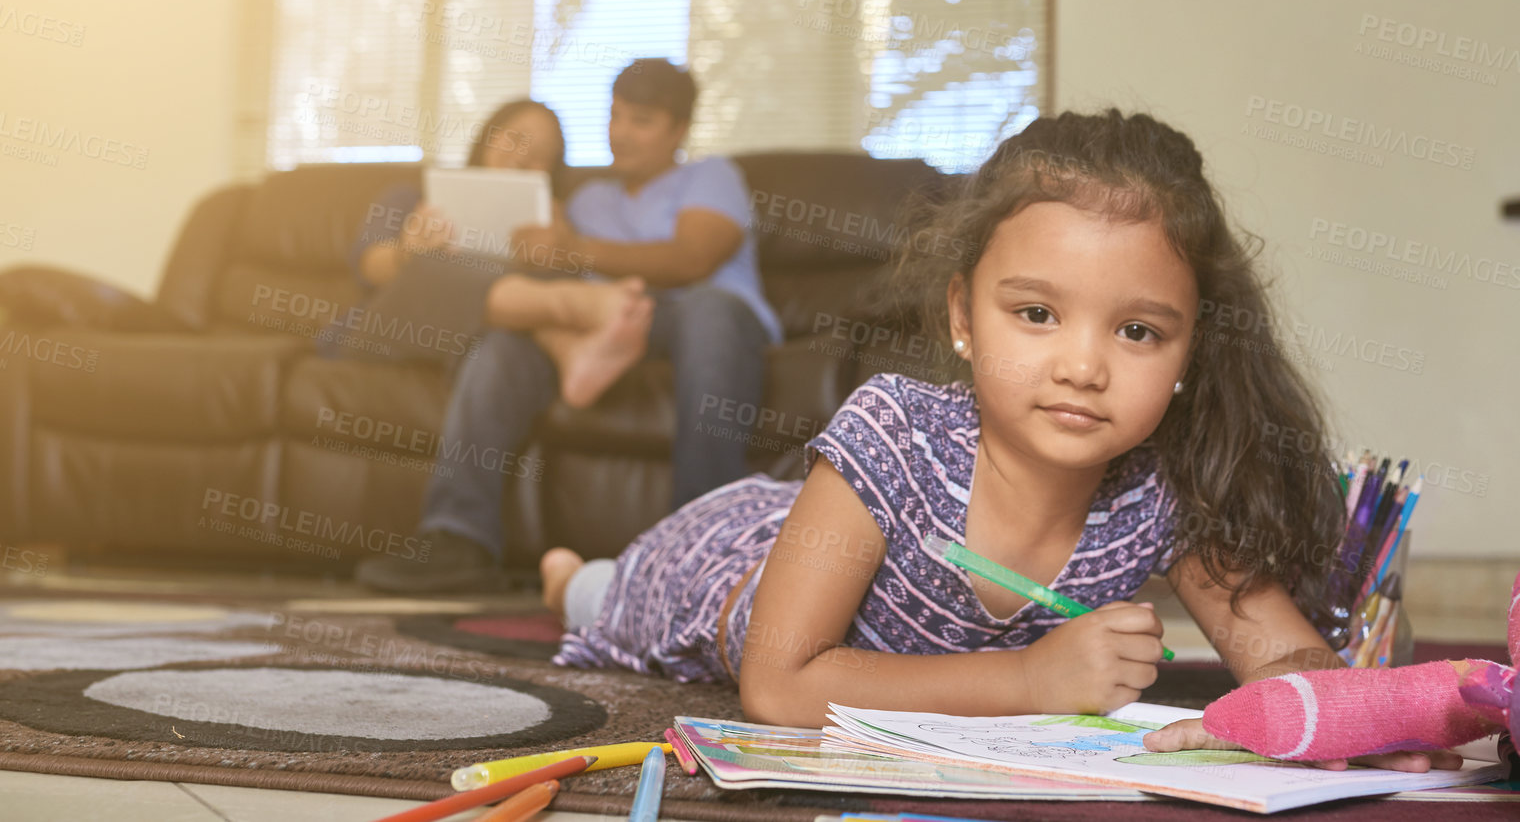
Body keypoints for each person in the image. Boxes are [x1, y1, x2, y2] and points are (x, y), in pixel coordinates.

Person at [533, 108, 1461, 772]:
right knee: (603, 595)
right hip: (726, 560)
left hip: (820, 547)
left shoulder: (1163, 487)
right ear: (964, 314)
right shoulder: (892, 427)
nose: (1082, 365)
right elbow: (778, 685)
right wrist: (1031, 677)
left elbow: (1281, 654)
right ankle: (570, 571)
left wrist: (1358, 713)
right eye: (1036, 313)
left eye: (1136, 331)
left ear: (1189, 351)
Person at [357, 60, 780, 593]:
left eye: (641, 121)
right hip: (607, 328)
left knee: (709, 311)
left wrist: (573, 249)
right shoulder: (585, 200)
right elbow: (550, 274)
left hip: (697, 317)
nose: (621, 133)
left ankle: (699, 548)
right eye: (615, 117)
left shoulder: (711, 176)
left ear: (679, 130)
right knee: (503, 345)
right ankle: (458, 539)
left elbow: (694, 257)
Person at [327, 98, 653, 409]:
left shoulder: (551, 229)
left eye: (540, 154)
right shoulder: (409, 195)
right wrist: (406, 254)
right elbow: (369, 267)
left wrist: (558, 252)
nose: (523, 157)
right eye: (516, 139)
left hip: (476, 341)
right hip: (383, 331)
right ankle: (576, 305)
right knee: (431, 265)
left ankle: (566, 345)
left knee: (502, 349)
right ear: (488, 137)